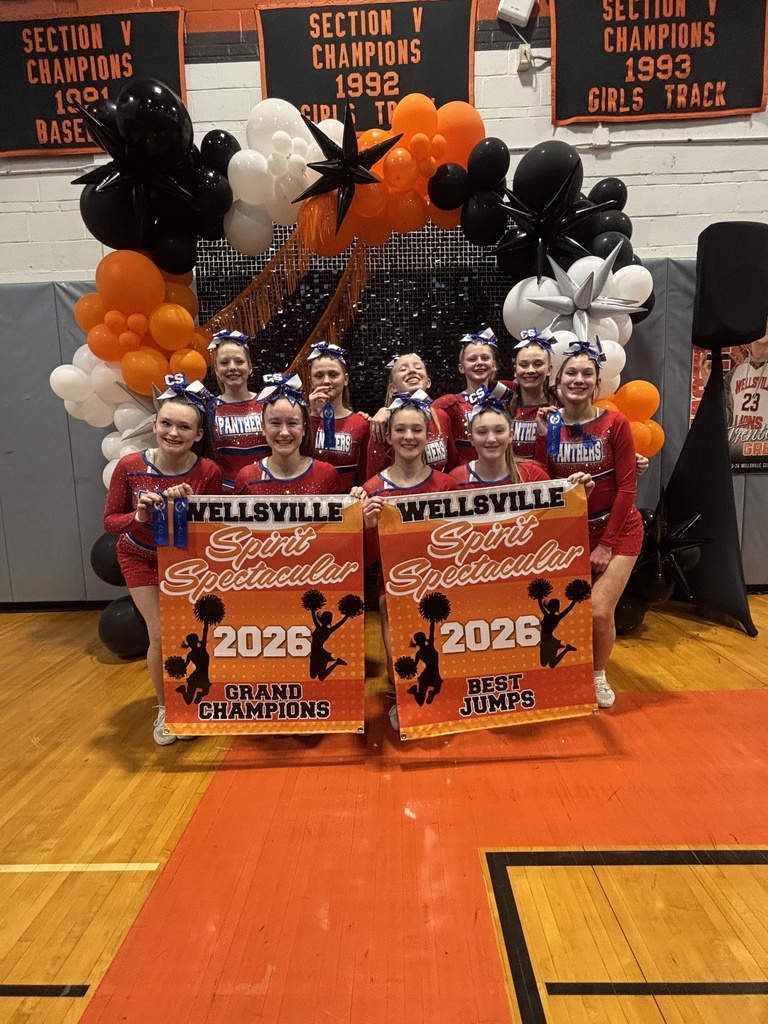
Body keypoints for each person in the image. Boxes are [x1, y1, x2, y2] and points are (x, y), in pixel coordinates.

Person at [103, 376, 223, 745]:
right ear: (154, 425)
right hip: (139, 556)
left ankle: (193, 699)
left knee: (190, 635)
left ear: (198, 435)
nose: (173, 432)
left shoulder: (208, 473)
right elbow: (110, 523)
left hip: (185, 560)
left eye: (184, 426)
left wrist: (189, 511)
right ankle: (165, 708)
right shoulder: (129, 466)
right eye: (166, 424)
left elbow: (214, 527)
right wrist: (138, 516)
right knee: (159, 633)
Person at [534, 341, 644, 709]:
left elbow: (628, 485)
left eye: (586, 374)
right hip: (569, 534)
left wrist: (607, 543)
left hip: (618, 529)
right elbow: (542, 483)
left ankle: (597, 675)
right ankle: (567, 671)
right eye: (571, 373)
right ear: (557, 380)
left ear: (597, 384)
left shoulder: (615, 422)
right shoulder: (548, 424)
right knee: (559, 610)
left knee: (598, 610)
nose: (578, 379)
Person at [356, 391, 455, 731]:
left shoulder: (447, 485)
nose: (409, 437)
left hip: (444, 579)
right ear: (389, 435)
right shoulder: (372, 488)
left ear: (429, 435)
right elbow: (367, 559)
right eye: (401, 430)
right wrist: (367, 525)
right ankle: (404, 694)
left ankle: (448, 689)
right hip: (395, 581)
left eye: (417, 430)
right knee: (392, 614)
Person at [233, 373, 343, 495]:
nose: (284, 432)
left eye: (292, 423)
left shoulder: (326, 475)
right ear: (263, 427)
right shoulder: (247, 478)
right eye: (275, 423)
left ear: (304, 428)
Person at [432, 327, 515, 465]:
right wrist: (386, 412)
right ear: (461, 367)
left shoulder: (505, 391)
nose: (479, 362)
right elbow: (419, 411)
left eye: (485, 358)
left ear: (494, 365)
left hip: (505, 469)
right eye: (472, 359)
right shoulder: (451, 402)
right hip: (467, 476)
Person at [366, 353, 456, 476]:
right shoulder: (383, 422)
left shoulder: (442, 417)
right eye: (403, 369)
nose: (412, 370)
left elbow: (451, 468)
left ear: (428, 382)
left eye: (418, 367)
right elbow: (373, 479)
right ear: (393, 388)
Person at [306, 341, 370, 491]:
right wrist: (314, 416)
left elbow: (365, 475)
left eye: (333, 374)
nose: (326, 381)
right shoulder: (299, 422)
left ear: (345, 379)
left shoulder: (361, 423)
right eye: (319, 375)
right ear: (311, 381)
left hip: (347, 503)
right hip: (310, 504)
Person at [209, 329, 267, 490]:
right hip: (226, 494)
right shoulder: (209, 409)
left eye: (239, 362)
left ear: (250, 367)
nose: (232, 367)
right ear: (216, 371)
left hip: (266, 489)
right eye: (225, 363)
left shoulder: (267, 404)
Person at [509, 329, 560, 460]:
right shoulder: (503, 405)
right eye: (524, 365)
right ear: (515, 371)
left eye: (538, 364)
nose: (530, 370)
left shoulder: (560, 406)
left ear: (549, 369)